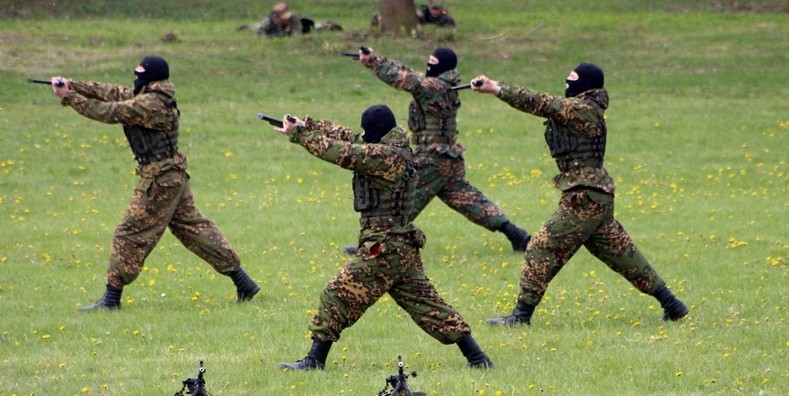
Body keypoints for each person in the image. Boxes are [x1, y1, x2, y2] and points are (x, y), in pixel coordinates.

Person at [271, 105, 493, 370]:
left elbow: (341, 152)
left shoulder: (387, 156)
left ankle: (314, 360)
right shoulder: (388, 147)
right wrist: (308, 125)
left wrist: (301, 136)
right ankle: (478, 359)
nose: (363, 136)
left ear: (376, 132)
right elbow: (349, 137)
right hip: (400, 247)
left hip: (384, 249)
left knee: (336, 294)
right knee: (428, 305)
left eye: (367, 131)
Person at [469, 63, 688, 325]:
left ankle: (521, 316)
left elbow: (540, 102)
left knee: (541, 247)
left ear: (586, 85)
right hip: (595, 196)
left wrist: (497, 88)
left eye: (572, 79)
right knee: (622, 254)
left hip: (585, 198)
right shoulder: (582, 109)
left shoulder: (583, 110)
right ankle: (672, 305)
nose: (567, 83)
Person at [51, 56, 260, 311]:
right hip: (172, 176)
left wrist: (69, 97)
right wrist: (74, 85)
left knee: (127, 234)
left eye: (139, 72)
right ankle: (243, 282)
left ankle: (111, 298)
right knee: (193, 229)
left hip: (160, 181)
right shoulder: (151, 95)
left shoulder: (150, 104)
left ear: (151, 76)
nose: (135, 76)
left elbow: (109, 111)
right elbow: (113, 93)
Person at [349, 47, 530, 254]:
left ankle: (373, 246)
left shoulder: (433, 86)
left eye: (433, 61)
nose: (428, 64)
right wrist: (374, 58)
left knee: (398, 200)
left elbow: (402, 79)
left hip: (432, 159)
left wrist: (373, 63)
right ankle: (516, 234)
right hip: (449, 158)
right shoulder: (442, 85)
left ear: (443, 66)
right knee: (471, 201)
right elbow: (409, 73)